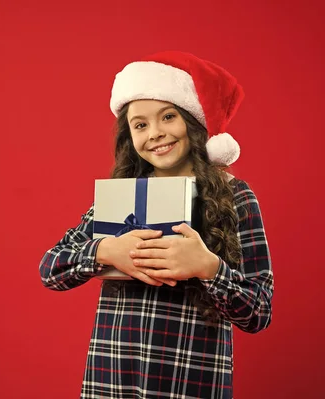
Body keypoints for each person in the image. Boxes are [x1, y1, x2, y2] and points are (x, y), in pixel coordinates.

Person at [39, 50, 274, 399]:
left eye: (168, 116)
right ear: (129, 136)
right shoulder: (121, 198)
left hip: (191, 385)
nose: (156, 133)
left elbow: (259, 311)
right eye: (140, 124)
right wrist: (105, 250)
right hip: (112, 384)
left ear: (193, 123)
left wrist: (209, 268)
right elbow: (50, 269)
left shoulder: (235, 196)